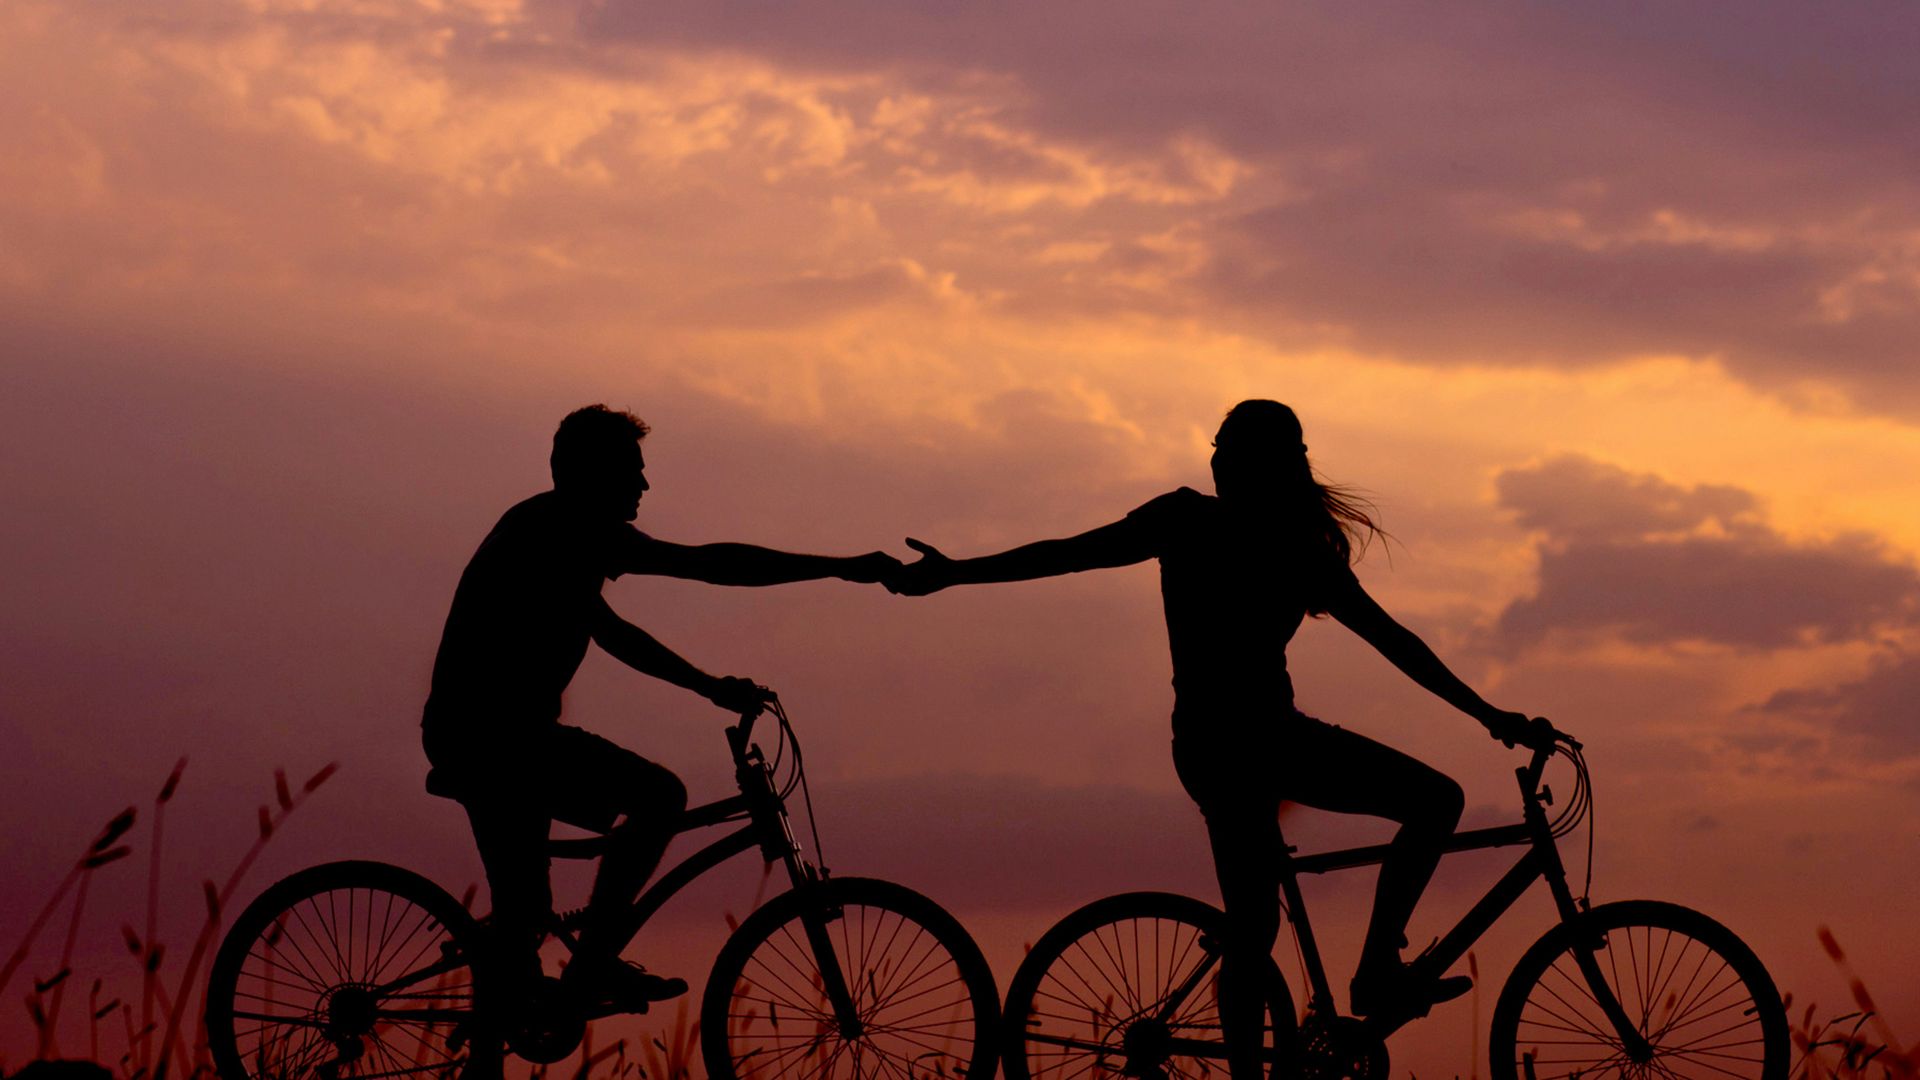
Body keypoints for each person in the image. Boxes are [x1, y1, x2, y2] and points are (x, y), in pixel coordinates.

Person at [886, 399, 1538, 1079]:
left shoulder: (1258, 540)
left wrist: (1489, 713)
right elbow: (1070, 555)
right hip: (1248, 746)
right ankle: (1375, 971)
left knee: (1259, 925)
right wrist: (958, 571)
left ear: (1264, 462)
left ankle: (1351, 990)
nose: (1215, 458)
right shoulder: (1217, 528)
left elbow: (1395, 642)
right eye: (1215, 445)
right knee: (1422, 810)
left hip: (1228, 745)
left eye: (1228, 447)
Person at [423, 404, 898, 1010]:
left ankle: (533, 991)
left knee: (525, 925)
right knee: (658, 798)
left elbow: (640, 613)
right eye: (631, 469)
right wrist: (841, 569)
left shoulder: (559, 534)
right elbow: (695, 574)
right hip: (493, 741)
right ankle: (590, 963)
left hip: (502, 739)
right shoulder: (560, 530)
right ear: (591, 473)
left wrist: (712, 683)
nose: (644, 485)